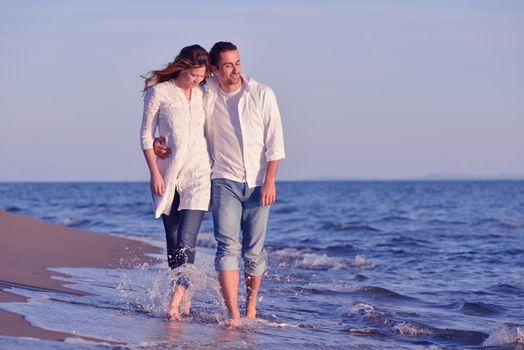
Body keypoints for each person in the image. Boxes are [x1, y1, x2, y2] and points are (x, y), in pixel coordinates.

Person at [154, 41, 285, 326]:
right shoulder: (206, 92)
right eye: (228, 65)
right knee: (226, 246)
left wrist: (270, 181)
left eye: (238, 63)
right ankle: (234, 316)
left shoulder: (262, 94)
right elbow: (181, 117)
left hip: (259, 182)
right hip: (223, 179)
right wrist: (158, 140)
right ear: (215, 69)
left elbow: (275, 143)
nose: (235, 70)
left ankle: (250, 308)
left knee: (254, 250)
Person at [140, 44, 211, 321]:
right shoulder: (159, 93)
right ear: (183, 67)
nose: (198, 80)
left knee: (186, 239)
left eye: (202, 77)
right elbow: (147, 135)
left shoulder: (204, 94)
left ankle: (176, 298)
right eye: (194, 75)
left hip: (199, 174)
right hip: (167, 174)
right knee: (172, 242)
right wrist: (154, 173)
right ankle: (183, 292)